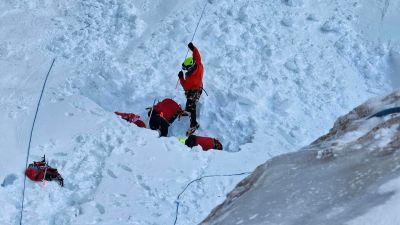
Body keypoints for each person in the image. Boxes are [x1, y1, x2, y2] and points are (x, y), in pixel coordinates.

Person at [178, 42, 204, 136]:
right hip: (199, 86)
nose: (185, 70)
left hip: (195, 91)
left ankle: (194, 124)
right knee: (189, 102)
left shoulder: (191, 79)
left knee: (192, 106)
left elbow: (185, 86)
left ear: (190, 67)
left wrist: (181, 78)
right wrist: (193, 48)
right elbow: (197, 54)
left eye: (186, 68)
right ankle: (187, 110)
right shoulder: (198, 63)